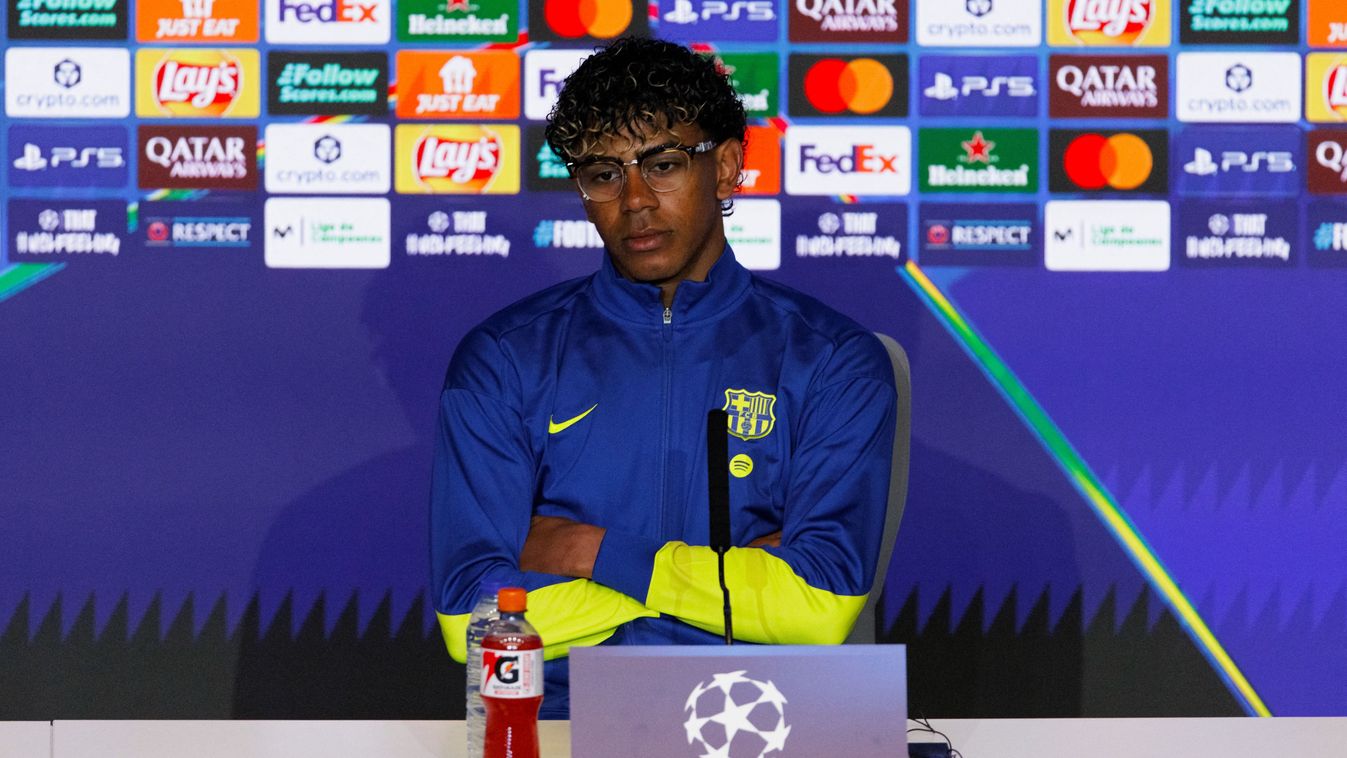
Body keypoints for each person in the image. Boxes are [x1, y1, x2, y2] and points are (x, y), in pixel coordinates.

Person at [430, 36, 898, 717]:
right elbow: (470, 626)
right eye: (602, 173)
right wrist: (738, 576)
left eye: (664, 163)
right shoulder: (503, 359)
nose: (635, 200)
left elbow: (821, 607)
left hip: (765, 726)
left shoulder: (832, 359)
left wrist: (590, 552)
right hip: (565, 728)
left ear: (728, 166)